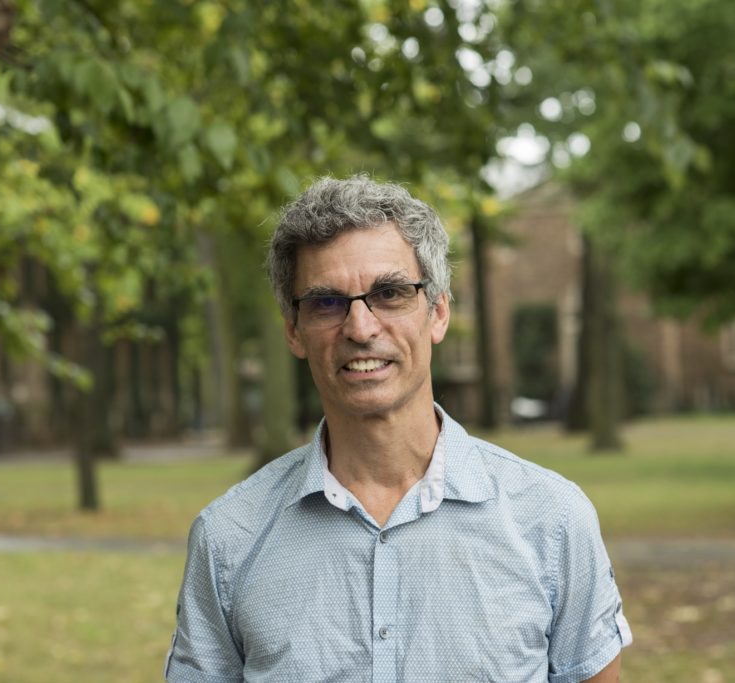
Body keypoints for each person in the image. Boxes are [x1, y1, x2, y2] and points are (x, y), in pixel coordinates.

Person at [165, 175, 632, 682]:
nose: (361, 328)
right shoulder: (229, 540)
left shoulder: (552, 521)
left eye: (389, 293)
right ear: (293, 331)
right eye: (326, 302)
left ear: (438, 312)